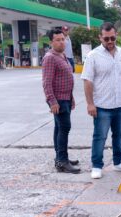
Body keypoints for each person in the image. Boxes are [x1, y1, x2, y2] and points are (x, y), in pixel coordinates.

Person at [81, 22, 121, 179]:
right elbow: (87, 81)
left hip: (120, 105)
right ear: (100, 37)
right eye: (106, 39)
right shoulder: (93, 56)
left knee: (119, 136)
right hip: (102, 106)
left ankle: (119, 162)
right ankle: (97, 166)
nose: (110, 41)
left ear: (116, 35)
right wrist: (90, 104)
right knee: (100, 137)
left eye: (112, 38)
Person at [42, 29, 80, 174]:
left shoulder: (62, 55)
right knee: (64, 128)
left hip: (66, 98)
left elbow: (66, 79)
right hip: (58, 100)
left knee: (59, 128)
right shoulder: (50, 58)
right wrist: (52, 102)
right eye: (57, 39)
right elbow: (47, 82)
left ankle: (60, 158)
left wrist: (71, 98)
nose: (61, 42)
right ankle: (62, 162)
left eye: (63, 39)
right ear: (51, 42)